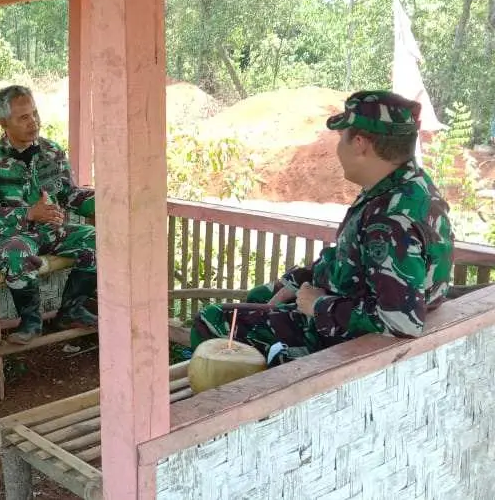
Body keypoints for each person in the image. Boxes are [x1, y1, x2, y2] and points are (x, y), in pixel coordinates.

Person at [190, 90, 455, 365]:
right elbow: (351, 259)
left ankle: (255, 394)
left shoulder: (391, 219)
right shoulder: (407, 187)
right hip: (342, 302)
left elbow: (402, 321)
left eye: (342, 137)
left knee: (211, 322)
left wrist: (318, 305)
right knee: (262, 295)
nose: (338, 146)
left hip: (343, 338)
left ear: (361, 144)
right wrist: (296, 282)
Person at [0, 85, 98, 345]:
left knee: (99, 240)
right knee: (16, 252)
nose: (34, 122)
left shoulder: (51, 152)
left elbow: (69, 194)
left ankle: (71, 309)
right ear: (3, 122)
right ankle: (30, 321)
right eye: (24, 117)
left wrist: (105, 204)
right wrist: (29, 213)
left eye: (35, 113)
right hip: (12, 237)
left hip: (50, 233)